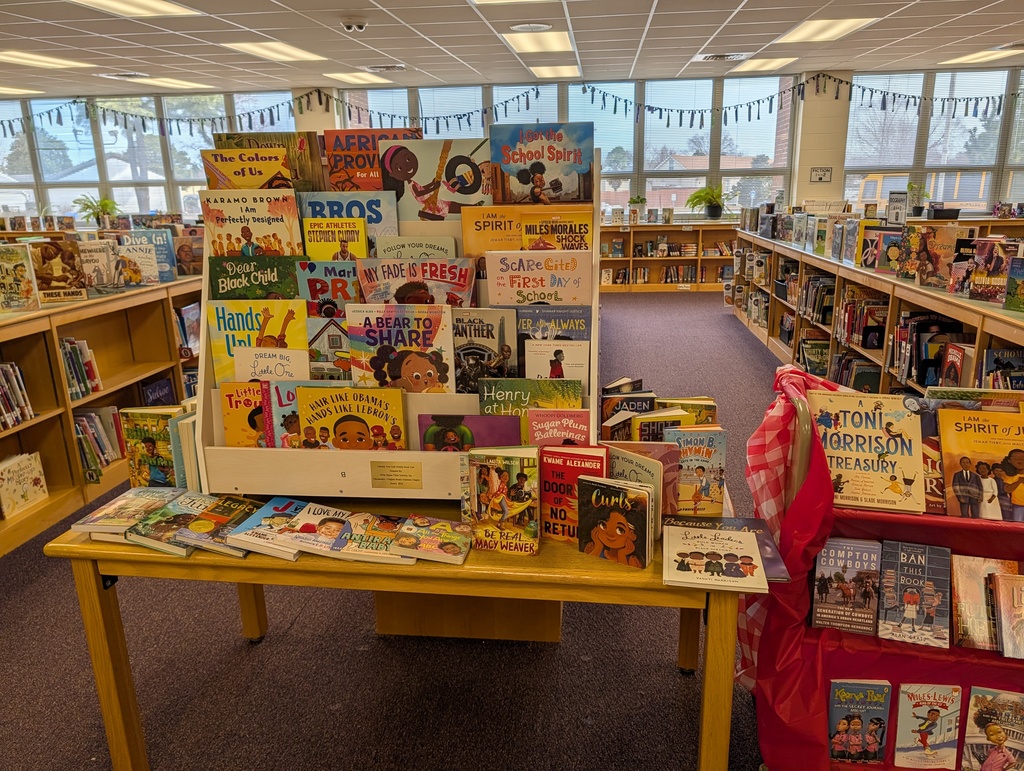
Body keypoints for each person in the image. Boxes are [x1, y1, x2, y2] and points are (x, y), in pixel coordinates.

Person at [992, 448, 1024, 522]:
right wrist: (1019, 482)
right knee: (1017, 526)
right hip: (1018, 505)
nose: (1020, 460)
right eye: (1015, 458)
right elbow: (1007, 489)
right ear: (1009, 461)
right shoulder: (1010, 476)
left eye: (1022, 458)